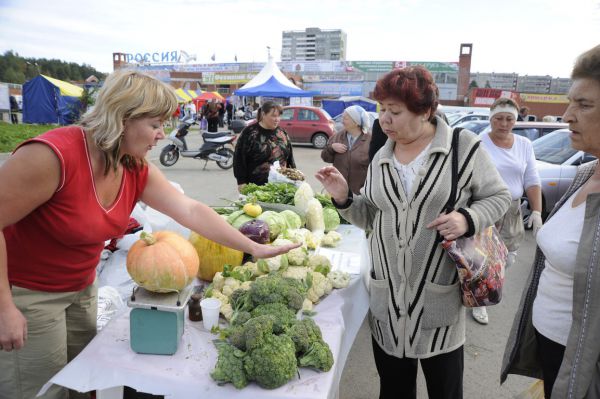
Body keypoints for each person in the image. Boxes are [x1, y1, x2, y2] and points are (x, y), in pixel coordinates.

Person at [0, 70, 298, 399]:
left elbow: (190, 210)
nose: (161, 135)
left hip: (82, 288)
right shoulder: (52, 155)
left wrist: (252, 248)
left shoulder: (132, 165)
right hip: (28, 294)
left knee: (82, 384)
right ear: (122, 118)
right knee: (43, 391)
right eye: (155, 124)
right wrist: (4, 308)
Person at [316, 66, 511, 399]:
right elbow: (372, 216)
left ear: (426, 112)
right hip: (387, 304)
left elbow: (499, 197)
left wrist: (467, 218)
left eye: (394, 111)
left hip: (438, 304)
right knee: (393, 391)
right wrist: (344, 197)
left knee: (445, 393)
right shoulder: (382, 158)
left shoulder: (462, 148)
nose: (384, 120)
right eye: (380, 111)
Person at [502, 44, 600, 399]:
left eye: (584, 104)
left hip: (584, 366)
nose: (568, 115)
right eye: (570, 102)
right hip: (551, 346)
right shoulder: (584, 173)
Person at [473, 97, 543, 325]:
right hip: (486, 205)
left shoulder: (524, 145)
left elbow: (532, 179)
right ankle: (481, 301)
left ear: (516, 120)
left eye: (509, 119)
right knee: (485, 258)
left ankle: (485, 288)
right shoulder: (478, 142)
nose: (504, 124)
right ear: (491, 118)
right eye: (499, 118)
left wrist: (537, 211)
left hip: (512, 209)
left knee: (508, 257)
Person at [233, 101, 296, 192]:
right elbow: (239, 159)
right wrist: (241, 182)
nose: (277, 119)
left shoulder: (282, 133)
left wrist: (294, 178)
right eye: (273, 116)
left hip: (281, 187)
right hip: (256, 187)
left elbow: (290, 158)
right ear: (263, 114)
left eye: (279, 116)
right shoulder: (250, 132)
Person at [321, 105, 372, 194]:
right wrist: (331, 148)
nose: (342, 121)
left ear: (356, 122)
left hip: (360, 192)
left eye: (346, 118)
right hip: (338, 190)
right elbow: (325, 157)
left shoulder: (370, 140)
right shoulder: (337, 137)